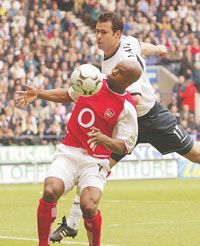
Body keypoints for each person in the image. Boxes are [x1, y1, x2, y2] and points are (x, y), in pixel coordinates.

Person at [52, 11, 200, 243]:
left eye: (103, 32)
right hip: (122, 125)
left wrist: (108, 93)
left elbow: (137, 99)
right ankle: (71, 224)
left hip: (151, 118)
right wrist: (159, 48)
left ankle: (72, 223)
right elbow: (142, 45)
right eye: (97, 31)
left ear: (117, 34)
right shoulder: (127, 42)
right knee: (96, 168)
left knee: (195, 154)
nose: (98, 36)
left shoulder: (118, 65)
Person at [15, 59, 142, 246]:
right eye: (116, 68)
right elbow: (67, 94)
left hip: (96, 160)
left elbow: (126, 146)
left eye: (121, 72)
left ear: (129, 81)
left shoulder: (126, 107)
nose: (114, 71)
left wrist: (105, 140)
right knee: (50, 190)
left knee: (88, 206)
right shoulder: (94, 83)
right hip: (69, 151)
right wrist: (39, 94)